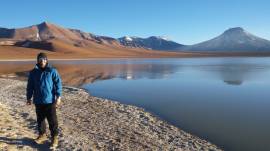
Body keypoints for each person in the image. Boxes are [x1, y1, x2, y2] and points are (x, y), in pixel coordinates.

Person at [26, 52, 62, 149]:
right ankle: (42, 135)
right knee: (40, 120)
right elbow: (30, 86)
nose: (42, 61)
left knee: (52, 120)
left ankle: (54, 138)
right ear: (37, 61)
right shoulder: (33, 72)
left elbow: (58, 84)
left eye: (44, 59)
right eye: (40, 59)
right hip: (38, 101)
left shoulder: (52, 71)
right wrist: (28, 98)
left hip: (50, 101)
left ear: (47, 60)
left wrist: (58, 97)